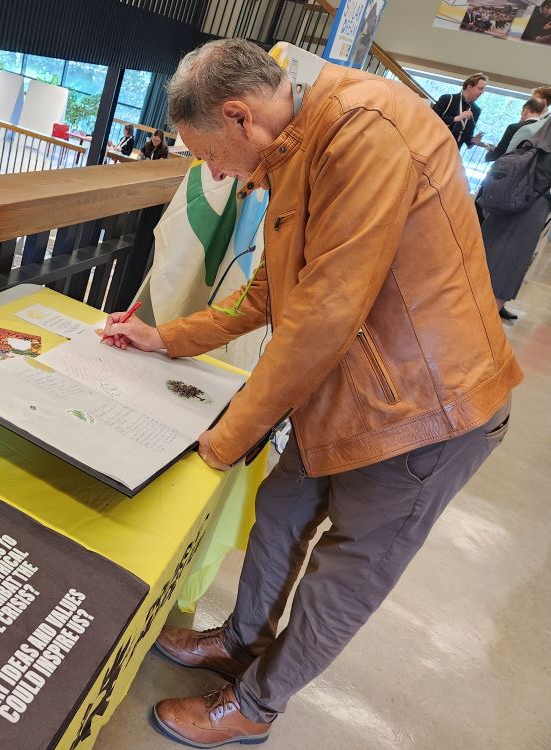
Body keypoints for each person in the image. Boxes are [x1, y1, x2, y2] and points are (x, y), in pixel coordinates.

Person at [101, 39, 521, 747]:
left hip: (424, 411)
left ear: (238, 117)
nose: (215, 172)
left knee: (342, 576)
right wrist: (165, 338)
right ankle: (240, 642)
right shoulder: (295, 149)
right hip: (343, 397)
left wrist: (225, 441)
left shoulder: (364, 128)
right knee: (283, 509)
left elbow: (324, 313)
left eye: (208, 155)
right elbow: (271, 293)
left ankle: (255, 708)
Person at [482, 118, 551, 321]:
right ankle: (479, 330)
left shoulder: (537, 134)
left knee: (487, 265)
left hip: (513, 200)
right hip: (528, 207)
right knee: (504, 273)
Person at [432, 72, 488, 149]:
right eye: (480, 88)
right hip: (434, 145)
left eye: (483, 89)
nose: (482, 92)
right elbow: (431, 120)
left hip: (453, 151)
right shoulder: (447, 99)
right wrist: (455, 119)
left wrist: (475, 140)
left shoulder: (476, 110)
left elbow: (467, 139)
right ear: (469, 87)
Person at [485, 97, 545, 163]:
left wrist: (489, 154)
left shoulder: (514, 127)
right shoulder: (544, 131)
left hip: (508, 167)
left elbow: (499, 153)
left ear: (525, 110)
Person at [505, 85, 551, 153]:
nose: (530, 102)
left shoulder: (547, 123)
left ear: (543, 102)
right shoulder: (527, 117)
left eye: (533, 99)